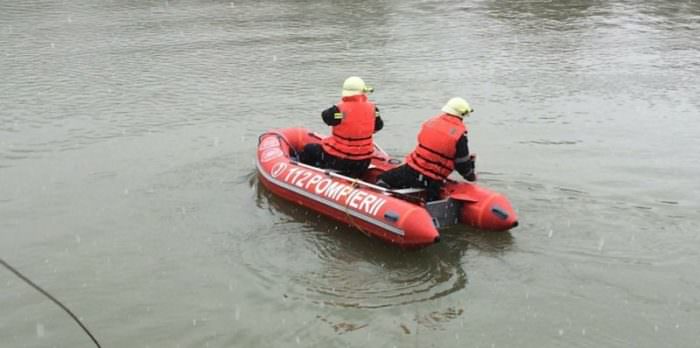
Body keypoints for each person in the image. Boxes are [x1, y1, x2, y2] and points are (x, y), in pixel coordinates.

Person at [377, 97, 476, 201]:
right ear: (463, 115)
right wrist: (471, 175)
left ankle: (390, 202)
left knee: (382, 180)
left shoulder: (430, 123)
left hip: (411, 171)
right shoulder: (459, 135)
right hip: (433, 180)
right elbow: (462, 165)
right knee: (432, 200)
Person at [300, 76, 384, 177]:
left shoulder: (338, 111)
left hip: (340, 160)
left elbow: (326, 117)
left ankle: (306, 176)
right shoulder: (374, 110)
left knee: (309, 149)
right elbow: (378, 126)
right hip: (363, 161)